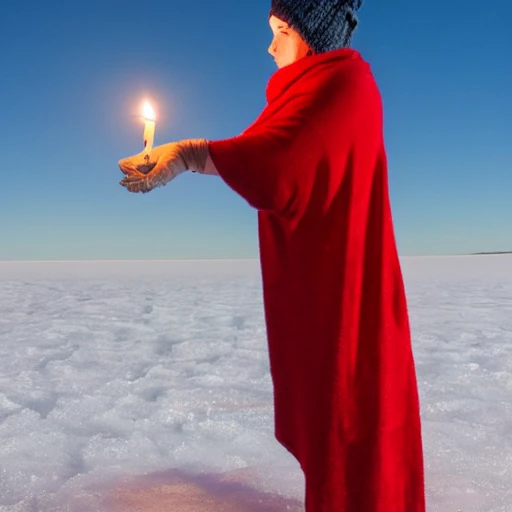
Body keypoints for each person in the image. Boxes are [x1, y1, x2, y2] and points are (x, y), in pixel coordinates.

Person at [118, 1, 426, 510]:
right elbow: (275, 148)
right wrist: (189, 154)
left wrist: (190, 153)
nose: (270, 46)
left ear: (310, 35)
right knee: (338, 431)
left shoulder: (345, 87)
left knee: (351, 434)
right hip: (328, 290)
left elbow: (280, 164)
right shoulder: (320, 91)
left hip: (348, 301)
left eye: (281, 31)